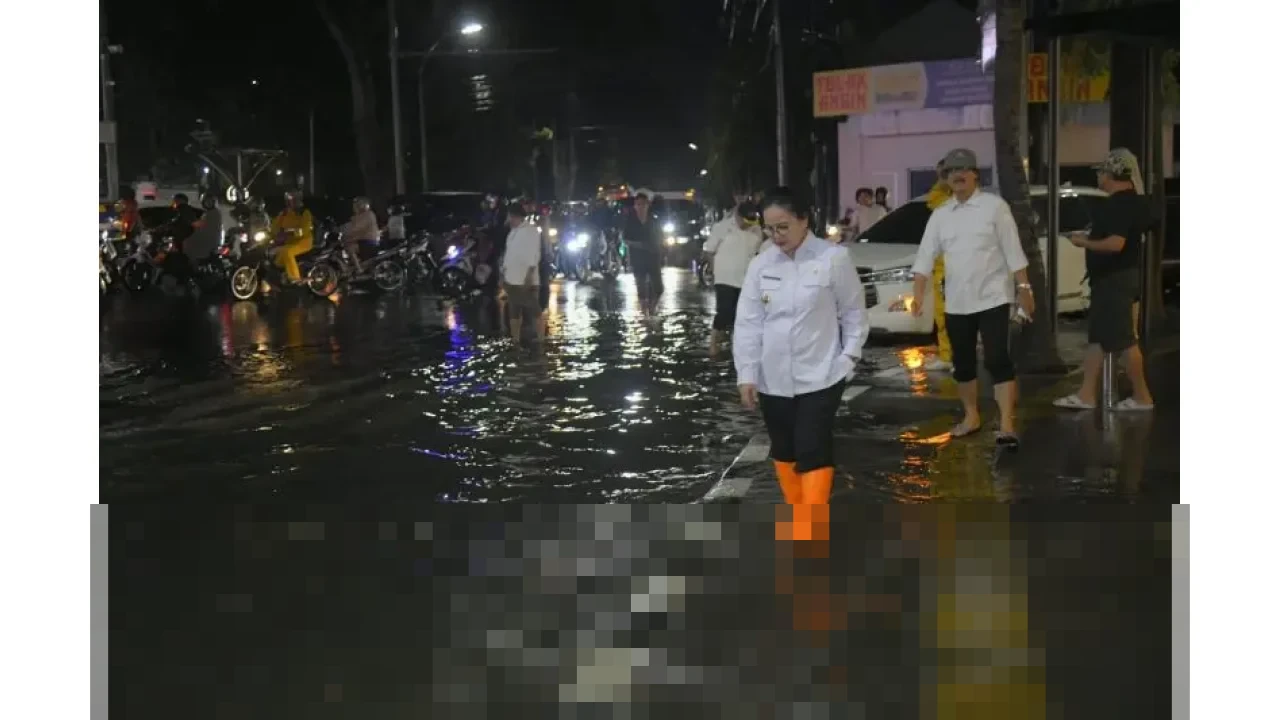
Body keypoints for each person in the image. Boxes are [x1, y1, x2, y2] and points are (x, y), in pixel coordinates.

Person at [735, 187, 869, 531]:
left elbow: (853, 313)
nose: (775, 236)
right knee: (785, 450)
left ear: (804, 220)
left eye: (782, 227)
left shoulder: (832, 259)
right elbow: (749, 323)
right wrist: (746, 374)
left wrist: (847, 360)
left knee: (813, 447)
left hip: (822, 374)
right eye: (769, 228)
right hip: (772, 377)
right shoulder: (761, 265)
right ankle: (801, 520)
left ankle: (810, 531)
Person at [910, 148, 1033, 447]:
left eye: (964, 169)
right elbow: (925, 256)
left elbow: (1013, 250)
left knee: (997, 359)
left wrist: (1025, 290)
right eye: (952, 171)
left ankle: (1005, 423)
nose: (958, 175)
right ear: (946, 178)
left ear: (975, 174)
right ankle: (971, 416)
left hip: (992, 298)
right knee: (962, 363)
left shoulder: (994, 207)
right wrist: (918, 294)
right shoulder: (941, 215)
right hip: (957, 302)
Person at [1055, 148, 1156, 411]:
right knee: (1098, 339)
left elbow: (1115, 244)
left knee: (1125, 341)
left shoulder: (1119, 204)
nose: (1099, 176)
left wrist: (1083, 241)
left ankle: (1142, 396)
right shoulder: (1131, 202)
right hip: (1113, 280)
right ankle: (1086, 394)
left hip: (1115, 281)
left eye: (1102, 171)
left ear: (1113, 173)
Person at [703, 200, 765, 353]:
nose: (747, 225)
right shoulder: (722, 227)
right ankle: (713, 345)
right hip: (725, 278)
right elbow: (709, 251)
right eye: (744, 221)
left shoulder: (756, 230)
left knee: (742, 314)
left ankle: (735, 344)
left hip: (746, 279)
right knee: (724, 311)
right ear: (737, 216)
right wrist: (712, 270)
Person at [924, 158, 954, 372]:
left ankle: (956, 357)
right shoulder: (942, 197)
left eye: (944, 173)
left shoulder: (961, 198)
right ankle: (947, 355)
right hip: (941, 266)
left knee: (956, 316)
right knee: (942, 314)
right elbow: (932, 201)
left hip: (955, 266)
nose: (941, 178)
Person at [500, 203, 544, 348]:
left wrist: (529, 276)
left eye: (510, 217)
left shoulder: (530, 231)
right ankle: (516, 339)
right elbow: (508, 254)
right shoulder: (512, 232)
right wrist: (503, 274)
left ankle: (541, 338)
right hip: (511, 278)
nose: (509, 220)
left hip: (525, 278)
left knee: (533, 308)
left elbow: (534, 254)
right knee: (514, 310)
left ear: (516, 216)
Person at [621, 191, 666, 322]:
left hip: (653, 256)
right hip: (637, 257)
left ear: (648, 205)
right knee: (641, 286)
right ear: (635, 206)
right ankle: (645, 314)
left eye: (643, 204)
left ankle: (652, 308)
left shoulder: (653, 219)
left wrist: (659, 247)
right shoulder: (630, 220)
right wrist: (638, 244)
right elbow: (625, 239)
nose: (641, 207)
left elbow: (660, 236)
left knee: (658, 287)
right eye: (638, 204)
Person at [270, 191, 315, 285]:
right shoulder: (285, 213)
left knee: (287, 252)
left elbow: (305, 229)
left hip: (304, 242)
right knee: (276, 258)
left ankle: (295, 278)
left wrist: (291, 232)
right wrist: (271, 232)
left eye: (292, 200)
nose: (290, 203)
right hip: (290, 242)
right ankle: (280, 278)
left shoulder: (305, 213)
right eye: (288, 201)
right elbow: (275, 225)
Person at [341, 197, 379, 274]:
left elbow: (355, 228)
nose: (355, 207)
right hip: (366, 240)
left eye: (357, 205)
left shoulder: (367, 215)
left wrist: (346, 234)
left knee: (349, 248)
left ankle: (359, 268)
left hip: (368, 242)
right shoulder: (366, 215)